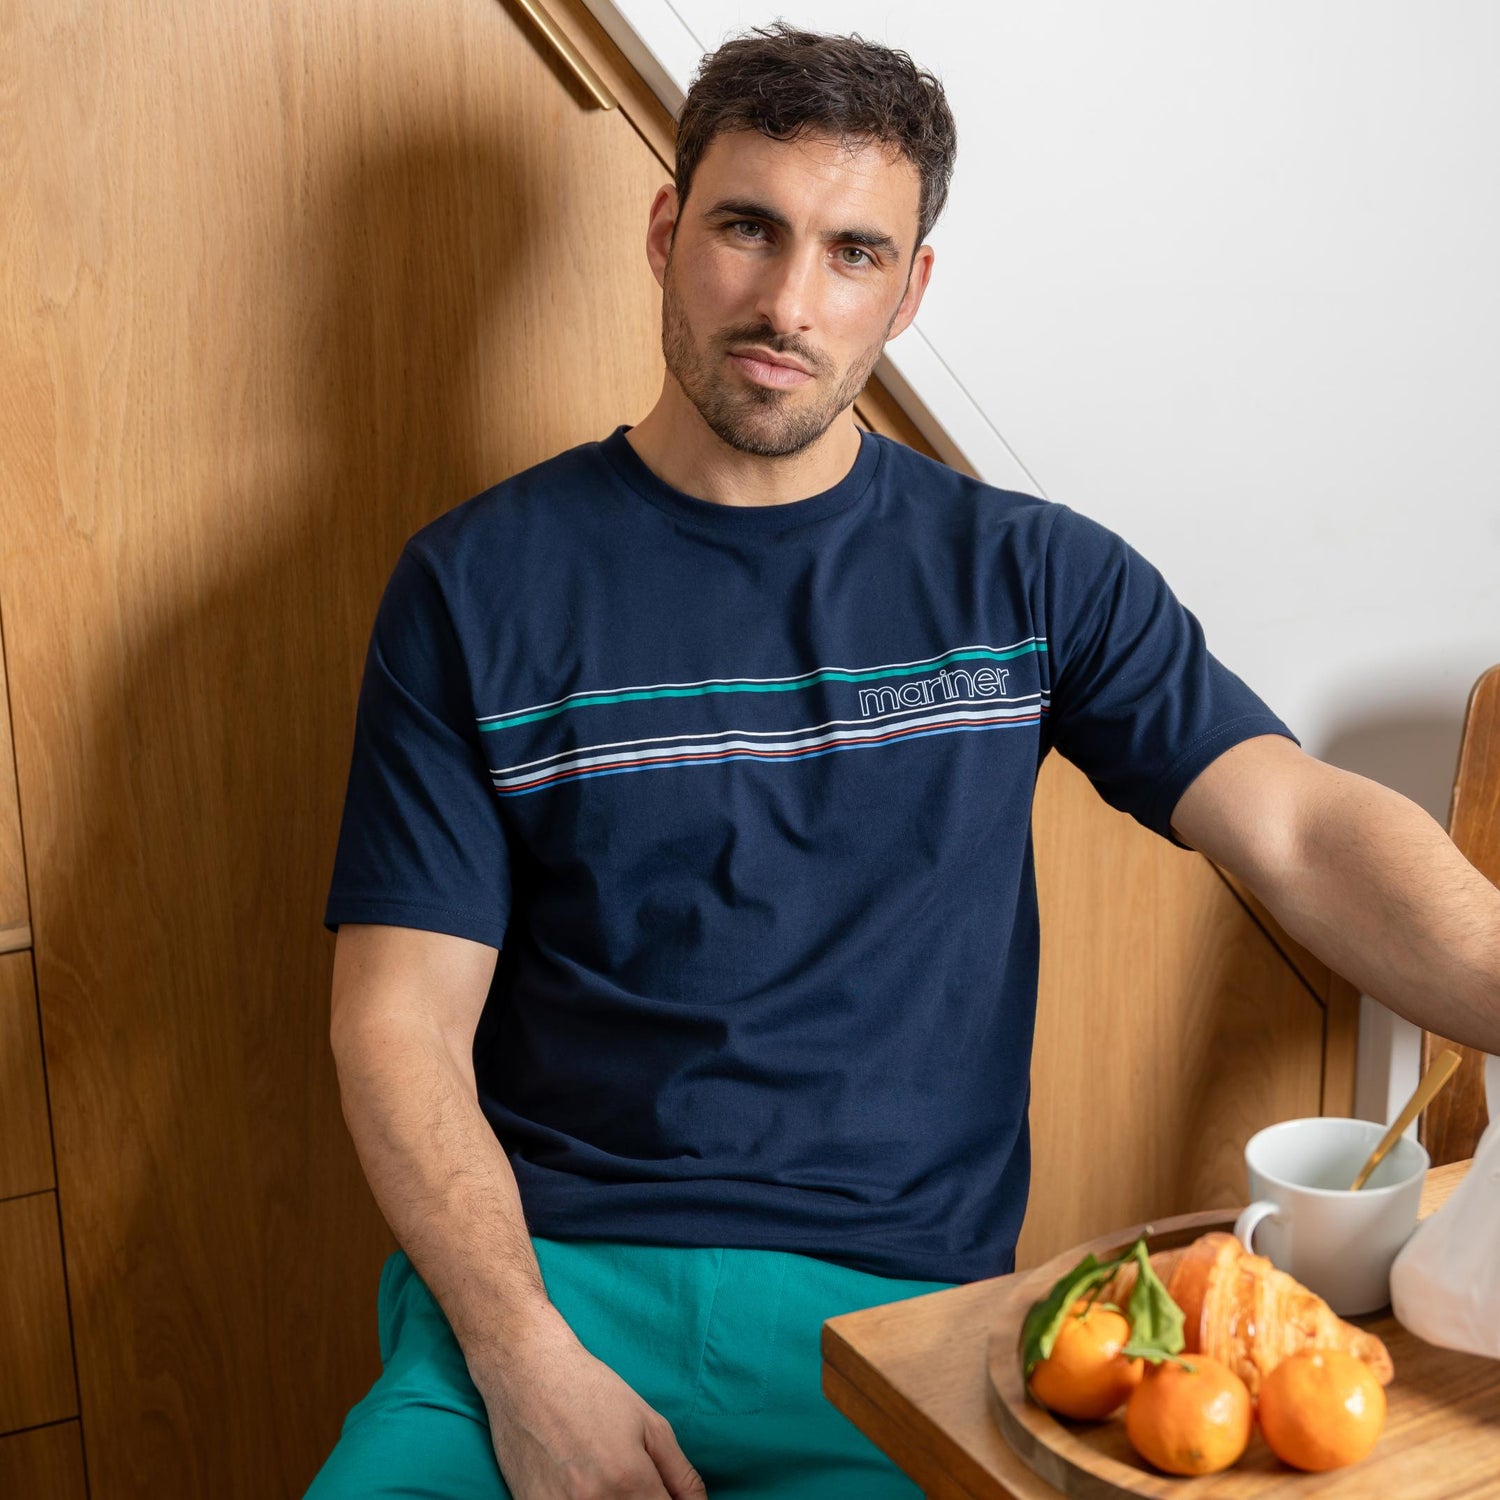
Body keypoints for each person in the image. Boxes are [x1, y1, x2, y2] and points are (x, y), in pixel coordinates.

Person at [306, 22, 1500, 1500]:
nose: (790, 303)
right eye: (748, 228)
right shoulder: (473, 586)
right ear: (670, 230)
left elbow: (1305, 833)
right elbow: (397, 1029)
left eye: (853, 251)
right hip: (541, 1303)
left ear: (911, 286)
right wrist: (523, 1356)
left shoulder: (1031, 577)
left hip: (891, 1330)